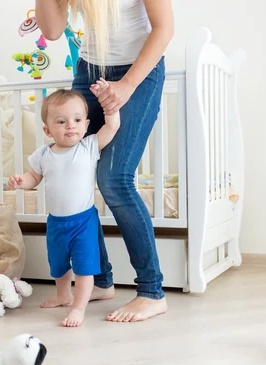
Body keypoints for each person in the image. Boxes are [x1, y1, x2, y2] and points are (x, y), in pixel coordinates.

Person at [35, 0, 175, 323]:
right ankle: (101, 279)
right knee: (76, 171)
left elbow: (164, 28)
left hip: (139, 70)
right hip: (89, 70)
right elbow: (53, 31)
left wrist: (126, 87)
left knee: (113, 178)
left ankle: (151, 291)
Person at [8, 82, 120, 327]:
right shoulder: (43, 154)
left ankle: (78, 308)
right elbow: (33, 178)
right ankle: (62, 295)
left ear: (86, 125)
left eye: (77, 120)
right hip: (56, 222)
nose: (71, 125)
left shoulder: (88, 147)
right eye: (61, 122)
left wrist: (108, 103)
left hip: (83, 221)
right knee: (58, 263)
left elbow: (112, 126)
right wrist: (20, 181)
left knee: (84, 266)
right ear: (48, 130)